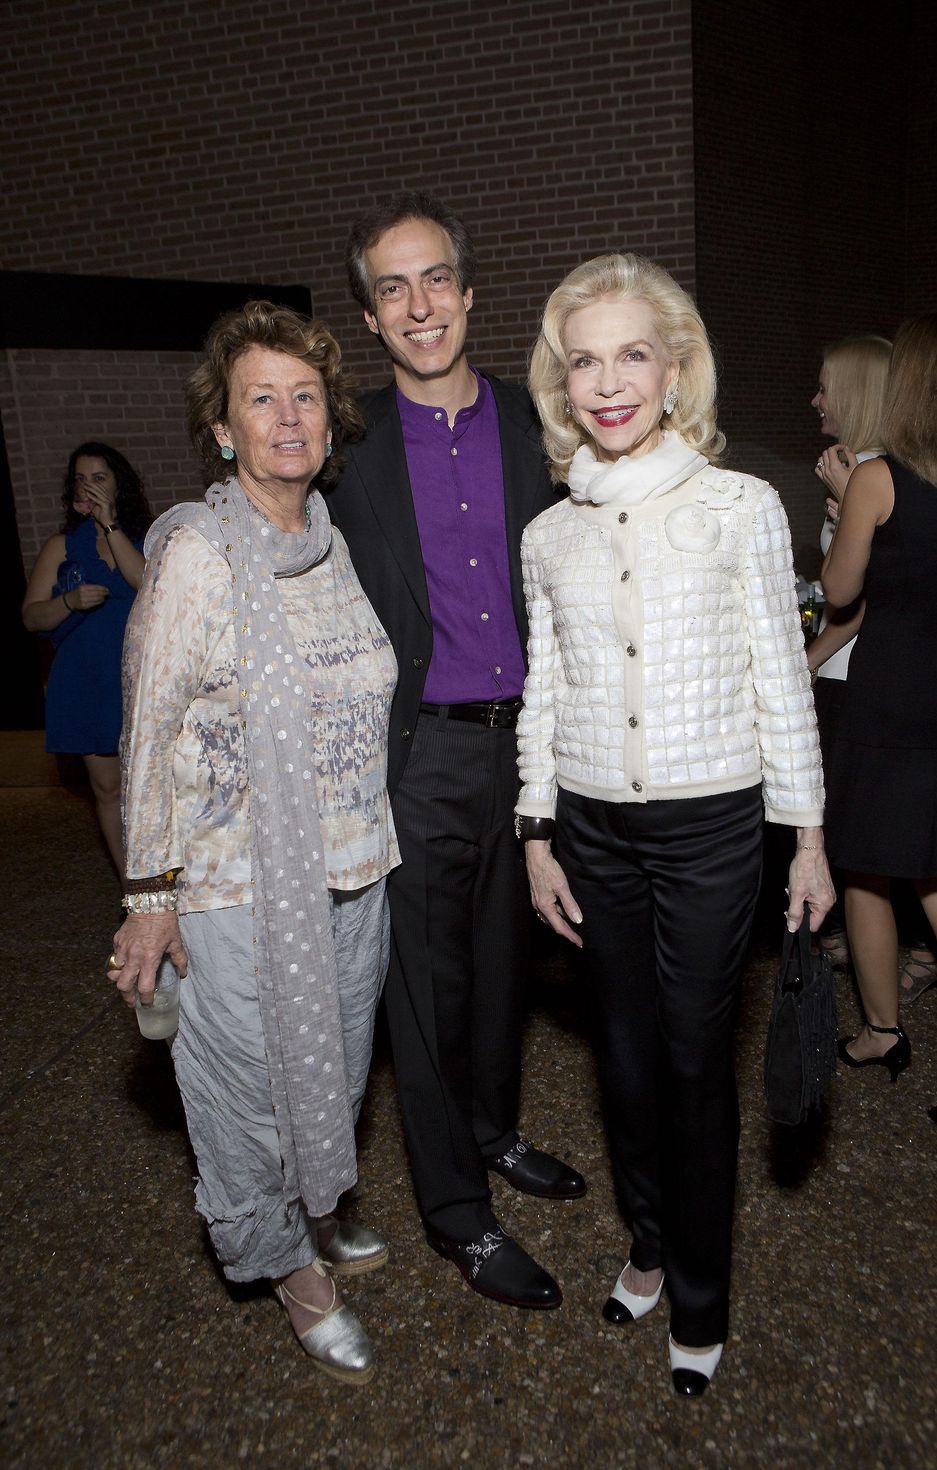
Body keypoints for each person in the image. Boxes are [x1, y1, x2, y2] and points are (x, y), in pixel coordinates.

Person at [518, 253, 832, 1393]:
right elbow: (543, 690)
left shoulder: (738, 506)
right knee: (627, 1062)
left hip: (710, 830)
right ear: (562, 380)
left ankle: (699, 1295)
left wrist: (803, 836)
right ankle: (647, 1242)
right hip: (590, 830)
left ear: (674, 366)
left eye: (631, 355)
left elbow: (777, 681)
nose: (608, 383)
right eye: (584, 359)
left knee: (697, 1064)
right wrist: (536, 829)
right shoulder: (548, 533)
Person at [107, 300, 400, 1381]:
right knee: (245, 1094)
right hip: (233, 889)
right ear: (223, 431)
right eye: (259, 400)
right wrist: (150, 895)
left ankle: (312, 1214)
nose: (287, 417)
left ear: (330, 420)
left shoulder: (329, 544)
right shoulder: (197, 554)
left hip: (356, 871)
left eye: (305, 396)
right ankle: (288, 1270)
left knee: (333, 1070)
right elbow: (146, 732)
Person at [328, 190, 583, 1312]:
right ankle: (455, 1212)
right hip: (417, 750)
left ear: (471, 295)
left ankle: (491, 1130)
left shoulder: (547, 423)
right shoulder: (347, 450)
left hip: (528, 745)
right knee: (424, 989)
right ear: (371, 321)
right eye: (393, 287)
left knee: (502, 964)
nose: (418, 304)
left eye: (435, 278)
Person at [822, 312, 937, 1133]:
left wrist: (842, 495)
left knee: (876, 872)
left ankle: (888, 1033)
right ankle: (919, 1045)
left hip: (890, 708)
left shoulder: (881, 478)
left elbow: (841, 588)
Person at [809, 337, 937, 999]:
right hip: (882, 677)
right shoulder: (877, 468)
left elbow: (854, 598)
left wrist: (803, 661)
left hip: (866, 678)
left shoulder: (869, 473)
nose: (816, 400)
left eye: (827, 386)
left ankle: (904, 966)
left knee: (876, 838)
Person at [22, 442, 151, 874]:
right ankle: (134, 888)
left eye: (99, 477)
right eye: (80, 478)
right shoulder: (62, 546)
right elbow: (31, 617)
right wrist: (70, 602)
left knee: (155, 786)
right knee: (108, 788)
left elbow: (147, 584)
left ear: (120, 485)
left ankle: (175, 882)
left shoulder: (148, 537)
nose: (88, 486)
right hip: (86, 679)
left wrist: (110, 525)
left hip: (143, 678)